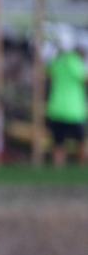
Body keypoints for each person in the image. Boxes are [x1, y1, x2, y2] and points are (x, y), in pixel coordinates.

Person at [45, 33, 87, 167]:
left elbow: (48, 74)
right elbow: (84, 79)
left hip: (56, 108)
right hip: (74, 110)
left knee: (58, 143)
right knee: (81, 141)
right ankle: (82, 168)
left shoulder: (56, 62)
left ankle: (59, 169)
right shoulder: (75, 62)